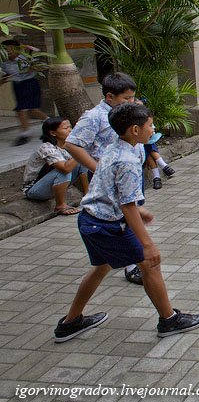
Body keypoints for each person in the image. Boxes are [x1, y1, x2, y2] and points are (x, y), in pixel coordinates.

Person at [54, 103, 199, 343]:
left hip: (90, 219)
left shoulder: (117, 147)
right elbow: (126, 207)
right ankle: (169, 320)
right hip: (107, 226)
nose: (153, 128)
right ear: (135, 130)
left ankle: (70, 323)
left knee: (101, 267)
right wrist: (147, 244)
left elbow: (115, 192)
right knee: (150, 265)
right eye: (150, 125)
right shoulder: (126, 160)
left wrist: (138, 208)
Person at [66, 72, 144, 285]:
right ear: (109, 96)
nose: (131, 101)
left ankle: (131, 259)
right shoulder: (94, 116)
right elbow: (72, 144)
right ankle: (133, 264)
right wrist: (98, 168)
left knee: (130, 215)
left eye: (132, 97)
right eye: (126, 98)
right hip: (110, 178)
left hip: (127, 174)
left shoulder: (124, 113)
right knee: (123, 217)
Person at [22, 117, 88, 215]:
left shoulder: (67, 145)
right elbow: (65, 169)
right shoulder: (46, 147)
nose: (70, 130)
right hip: (34, 190)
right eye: (66, 128)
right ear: (53, 133)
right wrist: (80, 150)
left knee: (82, 162)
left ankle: (88, 196)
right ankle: (60, 206)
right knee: (63, 171)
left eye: (70, 127)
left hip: (51, 185)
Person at [1, 39, 49, 146]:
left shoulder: (25, 58)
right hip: (17, 86)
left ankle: (25, 134)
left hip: (30, 84)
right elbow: (6, 75)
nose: (9, 52)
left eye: (11, 49)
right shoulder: (4, 62)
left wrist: (32, 67)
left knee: (25, 109)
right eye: (6, 50)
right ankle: (49, 122)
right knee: (28, 110)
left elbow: (39, 62)